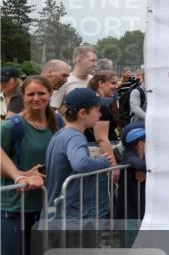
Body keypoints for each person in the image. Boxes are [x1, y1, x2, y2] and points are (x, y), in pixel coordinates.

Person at [0, 76, 60, 255]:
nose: (36, 99)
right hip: (12, 206)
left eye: (42, 94)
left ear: (50, 94)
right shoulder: (13, 124)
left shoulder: (53, 122)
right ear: (22, 96)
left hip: (39, 206)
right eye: (31, 94)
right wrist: (18, 176)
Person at [44, 88, 113, 220]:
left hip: (58, 210)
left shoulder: (61, 134)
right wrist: (104, 161)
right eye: (97, 111)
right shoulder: (75, 137)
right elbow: (81, 163)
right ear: (82, 113)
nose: (100, 115)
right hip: (71, 213)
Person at [87, 71, 121, 218]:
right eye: (113, 83)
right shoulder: (99, 106)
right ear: (101, 83)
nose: (117, 86)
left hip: (98, 157)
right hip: (101, 158)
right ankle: (97, 239)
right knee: (100, 204)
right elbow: (101, 138)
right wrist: (113, 166)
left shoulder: (102, 103)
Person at [117, 122, 147, 221]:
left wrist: (147, 174)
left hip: (139, 213)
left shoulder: (144, 157)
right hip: (129, 216)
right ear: (141, 144)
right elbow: (140, 165)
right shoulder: (128, 155)